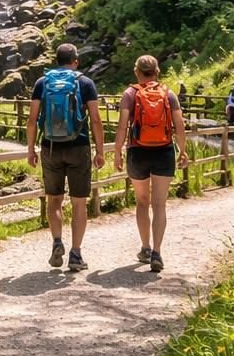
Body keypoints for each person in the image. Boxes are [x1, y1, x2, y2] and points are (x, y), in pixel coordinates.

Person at [25, 43, 104, 271]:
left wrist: (30, 149)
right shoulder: (85, 83)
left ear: (56, 60)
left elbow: (32, 119)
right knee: (79, 202)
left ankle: (57, 241)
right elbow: (96, 120)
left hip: (50, 146)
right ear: (75, 61)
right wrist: (100, 150)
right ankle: (76, 254)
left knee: (54, 199)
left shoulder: (43, 83)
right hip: (78, 146)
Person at [114, 55, 188, 273]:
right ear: (157, 71)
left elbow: (121, 126)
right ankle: (157, 252)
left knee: (142, 202)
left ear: (137, 71)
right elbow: (179, 125)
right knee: (159, 204)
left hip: (138, 151)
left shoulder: (130, 94)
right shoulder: (169, 94)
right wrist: (183, 151)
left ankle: (145, 248)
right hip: (164, 151)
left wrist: (117, 151)